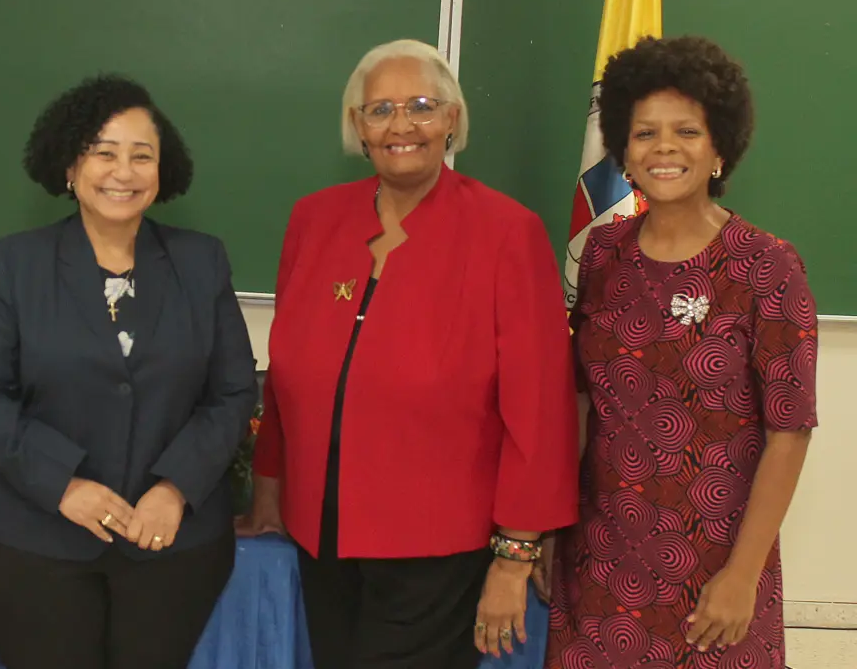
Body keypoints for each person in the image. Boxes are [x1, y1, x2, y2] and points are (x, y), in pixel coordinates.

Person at [238, 39, 580, 668]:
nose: (402, 125)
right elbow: (287, 372)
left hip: (438, 548)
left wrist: (516, 554)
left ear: (452, 119)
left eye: (422, 106)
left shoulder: (507, 232)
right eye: (380, 109)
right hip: (324, 535)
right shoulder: (314, 221)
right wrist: (269, 489)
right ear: (357, 127)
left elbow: (540, 408)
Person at [0, 74, 258, 669]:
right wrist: (64, 485)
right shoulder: (17, 263)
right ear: (70, 165)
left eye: (142, 155)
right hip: (31, 538)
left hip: (172, 543)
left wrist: (175, 489)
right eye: (104, 152)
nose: (124, 171)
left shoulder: (202, 261)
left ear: (162, 171)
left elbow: (232, 390)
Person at [544, 35, 818, 668]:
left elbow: (790, 432)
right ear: (623, 149)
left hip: (715, 571)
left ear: (719, 146)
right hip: (600, 565)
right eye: (644, 134)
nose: (664, 147)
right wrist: (553, 530)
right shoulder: (603, 255)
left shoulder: (766, 265)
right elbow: (583, 402)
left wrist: (742, 575)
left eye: (686, 131)